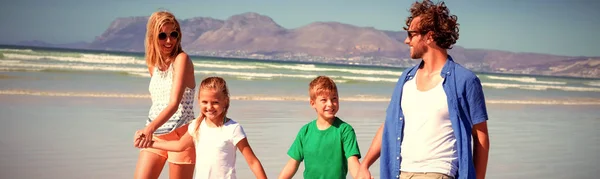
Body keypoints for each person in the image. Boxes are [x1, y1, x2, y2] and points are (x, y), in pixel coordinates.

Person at [356, 1, 490, 179]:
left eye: (411, 34)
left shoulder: (465, 80)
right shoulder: (406, 79)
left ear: (429, 36)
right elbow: (389, 124)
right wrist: (365, 164)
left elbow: (481, 137)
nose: (406, 40)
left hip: (438, 172)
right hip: (400, 173)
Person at [136, 77, 268, 179]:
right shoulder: (196, 126)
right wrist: (150, 143)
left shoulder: (233, 129)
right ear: (198, 100)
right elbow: (179, 146)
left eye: (215, 102)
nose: (209, 107)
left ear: (225, 101)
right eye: (205, 102)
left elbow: (252, 161)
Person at [133, 11, 197, 179]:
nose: (169, 40)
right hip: (156, 135)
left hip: (181, 135)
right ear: (153, 37)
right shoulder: (152, 63)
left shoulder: (181, 59)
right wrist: (149, 130)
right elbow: (158, 102)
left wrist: (148, 129)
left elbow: (174, 103)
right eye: (163, 36)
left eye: (173, 34)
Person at [278, 76, 361, 179]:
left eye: (334, 99)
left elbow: (353, 162)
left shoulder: (345, 130)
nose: (330, 104)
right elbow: (292, 164)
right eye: (324, 100)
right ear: (313, 103)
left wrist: (361, 176)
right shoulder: (305, 131)